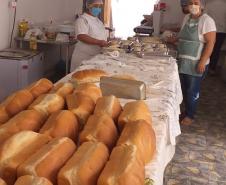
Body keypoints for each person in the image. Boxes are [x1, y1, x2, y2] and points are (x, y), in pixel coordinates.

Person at [168, 0, 216, 125]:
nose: (193, 5)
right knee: (184, 89)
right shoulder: (186, 18)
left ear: (202, 5)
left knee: (192, 91)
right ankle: (186, 110)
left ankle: (190, 115)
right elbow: (182, 34)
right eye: (190, 2)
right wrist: (175, 39)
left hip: (196, 63)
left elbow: (211, 43)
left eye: (196, 2)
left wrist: (202, 62)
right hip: (183, 60)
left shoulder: (207, 21)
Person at [70, 0, 108, 72]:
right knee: (79, 79)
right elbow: (81, 36)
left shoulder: (98, 21)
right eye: (96, 6)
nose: (98, 8)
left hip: (95, 56)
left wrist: (108, 42)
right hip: (84, 57)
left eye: (100, 6)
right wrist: (99, 42)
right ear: (89, 6)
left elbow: (100, 35)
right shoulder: (82, 20)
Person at [206, 0, 226, 75]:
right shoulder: (225, 5)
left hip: (210, 30)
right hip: (222, 31)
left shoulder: (209, 4)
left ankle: (205, 66)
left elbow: (204, 17)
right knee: (216, 50)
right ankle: (212, 68)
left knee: (207, 48)